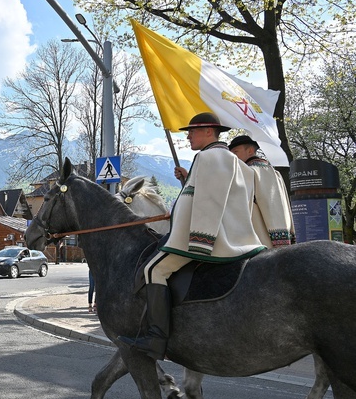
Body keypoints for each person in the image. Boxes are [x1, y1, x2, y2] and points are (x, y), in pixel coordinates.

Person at [118, 112, 266, 360]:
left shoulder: (208, 157)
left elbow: (209, 201)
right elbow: (215, 195)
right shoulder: (232, 160)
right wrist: (187, 181)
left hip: (209, 239)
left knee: (153, 271)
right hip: (232, 235)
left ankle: (155, 339)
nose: (188, 136)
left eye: (192, 131)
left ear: (209, 131)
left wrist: (200, 242)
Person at [228, 135, 295, 248]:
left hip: (260, 235)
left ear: (250, 151)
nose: (233, 157)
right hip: (282, 230)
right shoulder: (273, 171)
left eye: (236, 152)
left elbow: (266, 205)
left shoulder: (250, 172)